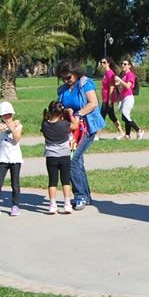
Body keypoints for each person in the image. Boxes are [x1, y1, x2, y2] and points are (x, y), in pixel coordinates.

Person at [56, 60, 102, 210]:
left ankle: (80, 196)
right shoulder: (62, 89)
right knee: (78, 161)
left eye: (69, 77)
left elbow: (93, 103)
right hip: (72, 129)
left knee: (72, 159)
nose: (66, 80)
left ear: (75, 73)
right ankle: (86, 196)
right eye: (63, 78)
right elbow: (61, 106)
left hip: (87, 126)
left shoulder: (85, 83)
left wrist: (78, 114)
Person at [41, 100, 77, 215]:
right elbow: (75, 126)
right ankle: (67, 204)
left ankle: (52, 205)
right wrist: (71, 115)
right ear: (61, 112)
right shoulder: (64, 124)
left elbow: (46, 120)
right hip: (64, 155)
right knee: (66, 181)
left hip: (51, 156)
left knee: (52, 181)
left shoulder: (45, 124)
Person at [114, 59, 143, 140]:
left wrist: (120, 80)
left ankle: (139, 130)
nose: (123, 65)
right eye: (122, 64)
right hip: (124, 98)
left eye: (125, 64)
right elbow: (122, 88)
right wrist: (118, 98)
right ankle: (127, 135)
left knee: (125, 115)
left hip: (129, 98)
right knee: (125, 116)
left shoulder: (130, 74)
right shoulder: (125, 75)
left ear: (129, 66)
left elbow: (128, 86)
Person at [98, 57, 125, 139]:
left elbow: (112, 87)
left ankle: (96, 135)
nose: (102, 64)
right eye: (101, 62)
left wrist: (110, 100)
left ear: (108, 63)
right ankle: (122, 132)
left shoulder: (110, 73)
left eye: (104, 62)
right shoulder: (106, 73)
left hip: (108, 99)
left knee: (101, 116)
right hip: (105, 98)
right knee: (112, 116)